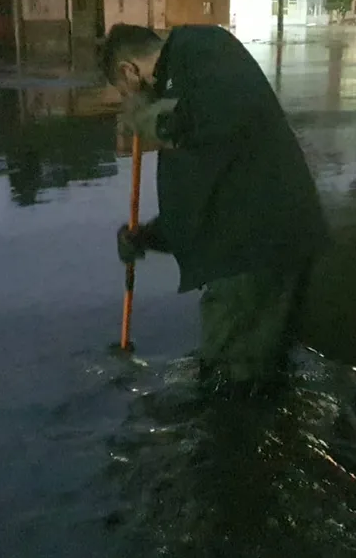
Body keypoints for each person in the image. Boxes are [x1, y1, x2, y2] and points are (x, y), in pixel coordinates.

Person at [101, 23, 328, 394]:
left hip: (254, 252)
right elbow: (205, 195)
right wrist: (147, 237)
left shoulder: (201, 46)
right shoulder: (187, 86)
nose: (128, 103)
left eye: (123, 92)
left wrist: (150, 116)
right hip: (249, 251)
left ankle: (237, 443)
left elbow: (223, 114)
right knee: (254, 375)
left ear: (130, 71)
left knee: (230, 382)